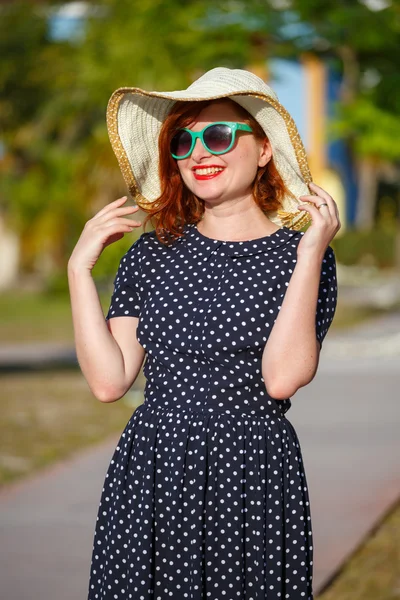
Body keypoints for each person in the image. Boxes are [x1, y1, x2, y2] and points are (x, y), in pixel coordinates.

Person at [68, 67, 340, 599]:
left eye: (216, 135)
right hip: (154, 467)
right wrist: (80, 269)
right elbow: (109, 381)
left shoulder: (304, 258)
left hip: (252, 473)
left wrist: (309, 253)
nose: (198, 152)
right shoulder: (152, 255)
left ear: (263, 148)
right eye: (183, 141)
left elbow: (282, 378)